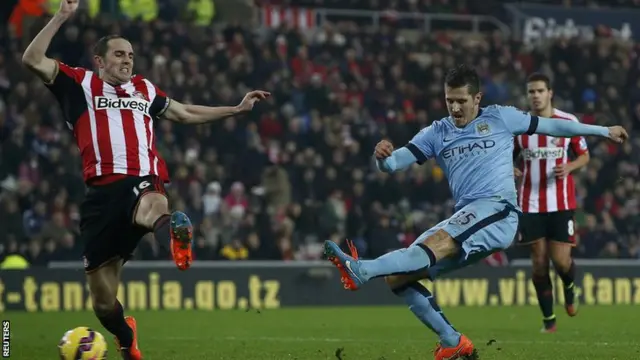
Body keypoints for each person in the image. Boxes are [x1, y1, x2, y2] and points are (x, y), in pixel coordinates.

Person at [323, 64, 627, 360]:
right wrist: (382, 157)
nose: (455, 107)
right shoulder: (436, 132)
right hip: (468, 216)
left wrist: (602, 130)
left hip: (499, 211)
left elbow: (552, 126)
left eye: (461, 101)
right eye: (449, 100)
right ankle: (453, 342)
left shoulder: (501, 118)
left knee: (434, 243)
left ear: (477, 99)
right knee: (399, 278)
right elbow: (392, 165)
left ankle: (362, 270)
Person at [21, 1, 269, 359]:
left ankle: (175, 235)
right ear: (100, 61)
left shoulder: (145, 90)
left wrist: (235, 108)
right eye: (119, 54)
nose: (127, 60)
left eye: (131, 55)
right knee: (104, 303)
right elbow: (31, 59)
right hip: (101, 197)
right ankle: (125, 336)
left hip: (141, 180)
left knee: (154, 203)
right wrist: (60, 17)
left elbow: (184, 112)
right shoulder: (79, 84)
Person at [514, 73, 589, 333]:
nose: (535, 96)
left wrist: (569, 166)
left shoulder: (568, 121)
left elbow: (584, 155)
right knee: (538, 263)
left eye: (539, 91)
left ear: (550, 93)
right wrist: (511, 168)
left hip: (561, 202)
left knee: (561, 262)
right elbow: (506, 156)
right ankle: (549, 321)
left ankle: (569, 287)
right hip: (529, 203)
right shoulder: (521, 126)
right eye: (531, 92)